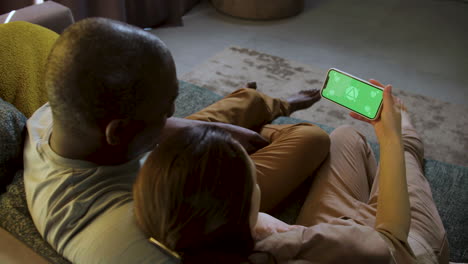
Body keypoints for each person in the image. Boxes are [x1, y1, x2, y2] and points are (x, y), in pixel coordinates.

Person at [23, 18, 330, 263]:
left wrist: (224, 132)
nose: (173, 112)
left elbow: (160, 125)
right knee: (311, 137)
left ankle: (265, 103)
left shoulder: (51, 116)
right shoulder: (120, 237)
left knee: (243, 105)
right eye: (166, 106)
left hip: (145, 152)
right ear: (117, 132)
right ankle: (261, 109)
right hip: (182, 187)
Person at [133, 83, 449, 264]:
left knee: (344, 137)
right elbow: (390, 240)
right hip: (399, 250)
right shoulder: (282, 247)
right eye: (251, 177)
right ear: (246, 209)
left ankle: (377, 190)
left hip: (338, 232)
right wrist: (391, 134)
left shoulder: (180, 236)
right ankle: (407, 133)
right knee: (401, 155)